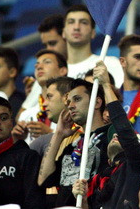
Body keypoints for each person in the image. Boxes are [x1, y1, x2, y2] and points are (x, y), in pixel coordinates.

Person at [71, 60, 140, 209]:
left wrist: (106, 85)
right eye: (113, 135)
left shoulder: (136, 163)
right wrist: (83, 200)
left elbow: (125, 130)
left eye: (119, 136)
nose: (115, 136)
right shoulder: (99, 180)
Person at [37, 78, 111, 207]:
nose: (70, 106)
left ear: (97, 102)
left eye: (77, 99)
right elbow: (44, 180)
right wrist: (59, 134)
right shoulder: (73, 145)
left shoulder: (110, 139)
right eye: (69, 102)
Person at [14, 49, 68, 144]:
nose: (39, 67)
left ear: (62, 70)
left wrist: (50, 134)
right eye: (36, 65)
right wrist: (16, 140)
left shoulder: (71, 109)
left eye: (47, 62)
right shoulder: (26, 115)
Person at [63, 4, 124, 84]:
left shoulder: (109, 64)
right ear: (63, 32)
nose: (76, 27)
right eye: (71, 22)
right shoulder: (56, 71)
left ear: (93, 32)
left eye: (83, 22)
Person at [28, 76, 73, 158]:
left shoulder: (89, 134)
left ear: (67, 98)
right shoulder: (42, 142)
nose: (44, 104)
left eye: (49, 97)